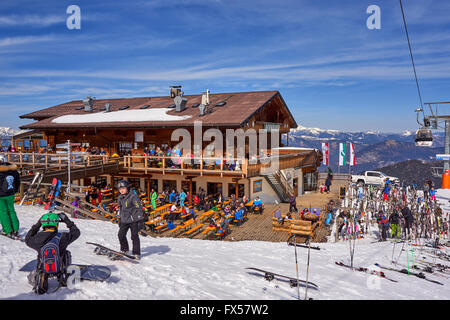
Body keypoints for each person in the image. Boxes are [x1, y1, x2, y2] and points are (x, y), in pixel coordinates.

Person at [25, 212, 80, 294]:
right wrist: (67, 221)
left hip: (44, 267)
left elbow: (27, 239)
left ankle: (43, 276)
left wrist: (37, 224)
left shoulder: (36, 239)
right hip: (59, 268)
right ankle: (64, 274)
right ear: (56, 224)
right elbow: (76, 233)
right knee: (66, 253)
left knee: (41, 257)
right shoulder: (62, 237)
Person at [117, 180, 146, 260]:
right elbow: (120, 209)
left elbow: (138, 208)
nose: (121, 190)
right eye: (120, 189)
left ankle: (136, 253)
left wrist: (140, 221)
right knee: (121, 235)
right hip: (124, 220)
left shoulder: (133, 196)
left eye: (123, 188)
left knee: (134, 236)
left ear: (127, 188)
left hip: (133, 220)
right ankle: (124, 249)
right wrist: (120, 218)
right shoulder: (120, 198)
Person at [0, 155, 21, 238]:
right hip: (10, 193)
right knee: (11, 211)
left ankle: (7, 230)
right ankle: (15, 229)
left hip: (1, 195)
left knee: (3, 212)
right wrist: (14, 190)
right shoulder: (13, 170)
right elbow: (17, 182)